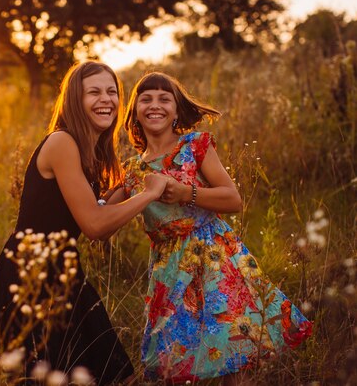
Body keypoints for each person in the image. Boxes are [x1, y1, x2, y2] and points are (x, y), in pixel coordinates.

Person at [0, 61, 168, 384]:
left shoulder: (86, 149)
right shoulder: (62, 142)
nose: (106, 99)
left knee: (112, 373)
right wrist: (148, 195)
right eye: (94, 92)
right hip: (31, 273)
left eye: (111, 92)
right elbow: (94, 226)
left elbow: (96, 213)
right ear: (75, 100)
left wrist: (128, 186)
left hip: (62, 271)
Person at [120, 72, 313, 384]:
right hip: (169, 273)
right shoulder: (131, 170)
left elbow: (232, 198)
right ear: (134, 113)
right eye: (146, 98)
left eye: (164, 98)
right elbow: (100, 208)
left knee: (231, 346)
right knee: (170, 358)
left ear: (177, 111)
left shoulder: (194, 146)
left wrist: (187, 194)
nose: (155, 105)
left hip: (216, 260)